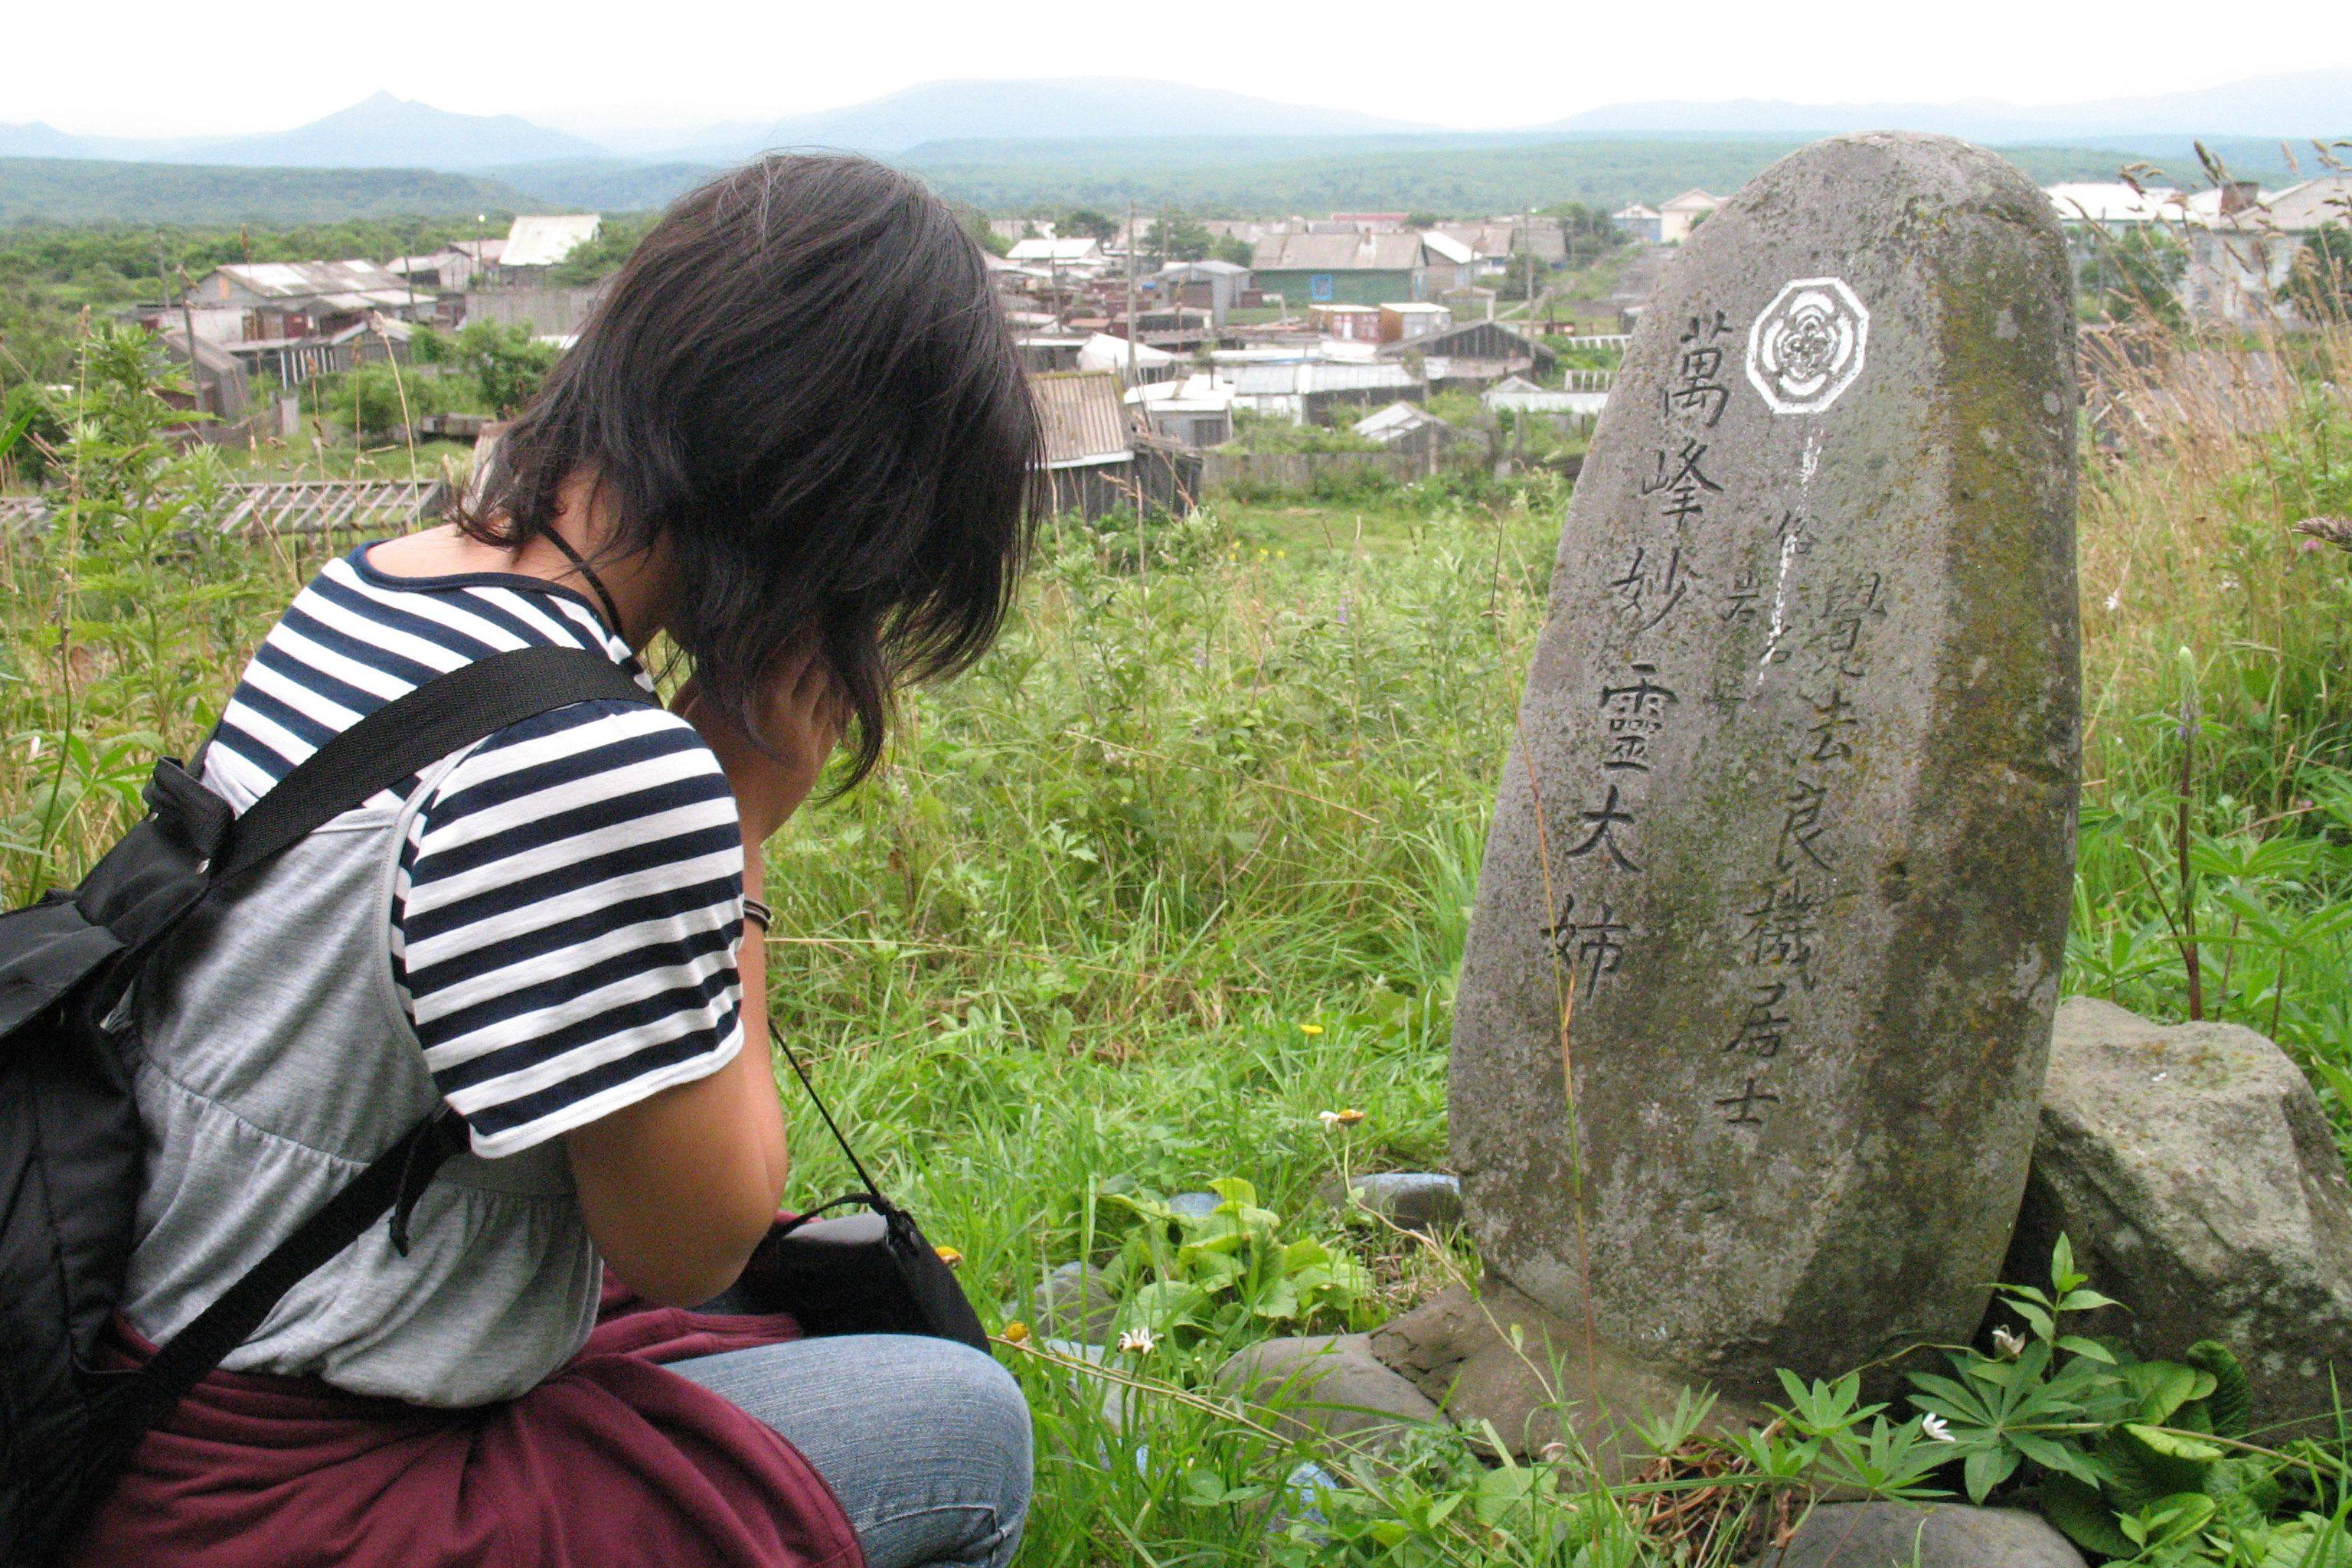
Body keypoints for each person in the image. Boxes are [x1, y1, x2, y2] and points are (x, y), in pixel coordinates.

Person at [77, 154, 1043, 1568]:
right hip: (273, 1498)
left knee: (774, 1330)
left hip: (130, 1383)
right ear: (838, 503)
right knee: (958, 1423)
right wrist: (737, 823)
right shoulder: (599, 762)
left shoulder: (387, 584)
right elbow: (694, 1237)